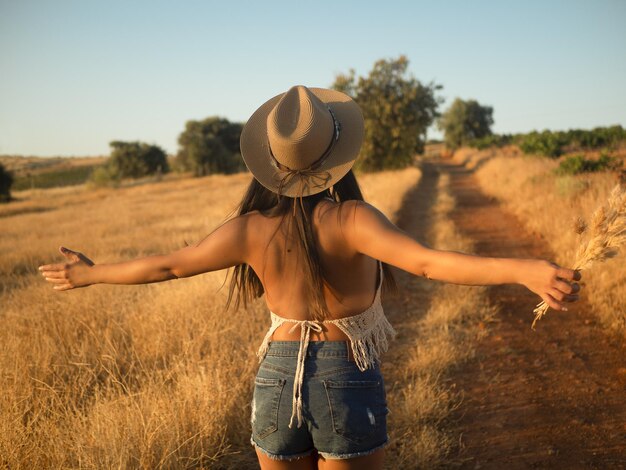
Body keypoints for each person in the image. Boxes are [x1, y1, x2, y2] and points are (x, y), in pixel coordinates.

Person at [38, 85, 582, 469]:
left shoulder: (250, 228)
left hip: (274, 374)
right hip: (345, 372)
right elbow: (427, 262)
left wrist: (90, 275)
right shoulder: (353, 219)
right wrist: (524, 269)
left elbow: (168, 265)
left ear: (272, 163)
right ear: (339, 157)